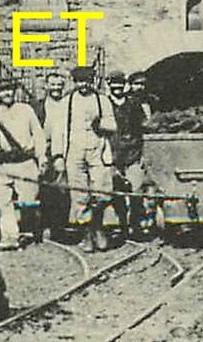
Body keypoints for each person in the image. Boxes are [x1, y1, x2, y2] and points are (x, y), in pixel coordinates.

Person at [61, 65, 119, 252]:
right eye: (79, 81)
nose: (83, 85)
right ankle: (87, 233)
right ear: (74, 82)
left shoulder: (102, 100)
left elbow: (112, 126)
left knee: (103, 192)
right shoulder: (67, 102)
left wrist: (100, 124)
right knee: (79, 194)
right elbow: (59, 131)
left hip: (98, 149)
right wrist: (58, 156)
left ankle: (98, 227)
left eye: (86, 81)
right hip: (74, 150)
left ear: (92, 81)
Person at [0, 77, 45, 251]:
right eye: (2, 90)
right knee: (3, 202)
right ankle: (9, 236)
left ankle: (30, 231)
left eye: (9, 89)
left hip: (25, 162)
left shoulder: (26, 110)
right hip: (3, 164)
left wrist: (42, 157)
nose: (6, 93)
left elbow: (38, 134)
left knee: (28, 201)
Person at [105, 70, 152, 237]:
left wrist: (143, 154)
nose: (117, 87)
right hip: (112, 154)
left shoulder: (133, 104)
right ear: (108, 84)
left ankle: (135, 224)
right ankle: (122, 223)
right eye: (113, 83)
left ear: (124, 84)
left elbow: (143, 128)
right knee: (116, 190)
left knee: (136, 188)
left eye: (119, 83)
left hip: (133, 152)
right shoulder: (104, 104)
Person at [37, 69, 72, 243]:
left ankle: (60, 227)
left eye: (59, 85)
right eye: (53, 85)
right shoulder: (39, 106)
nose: (56, 88)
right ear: (46, 86)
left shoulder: (69, 104)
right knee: (46, 191)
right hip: (46, 150)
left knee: (64, 191)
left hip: (67, 150)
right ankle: (47, 225)